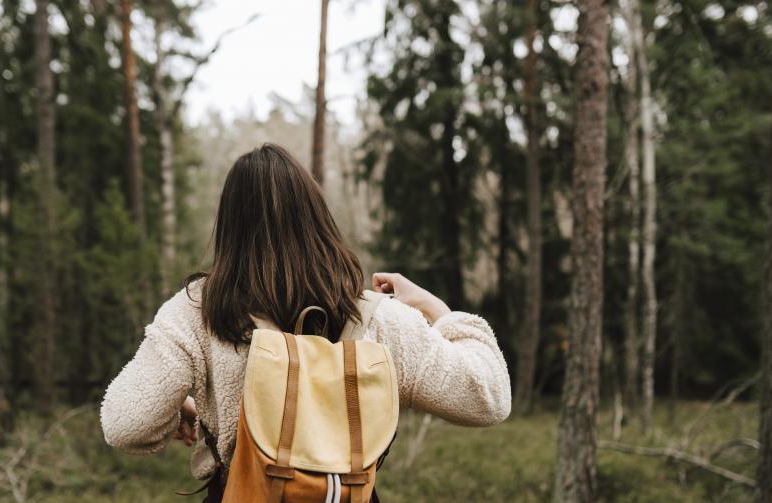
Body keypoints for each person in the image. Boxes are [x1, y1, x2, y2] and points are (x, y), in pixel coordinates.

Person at [100, 143, 511, 487]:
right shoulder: (377, 317)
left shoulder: (199, 310)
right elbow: (488, 398)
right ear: (317, 217)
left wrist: (184, 410)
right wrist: (437, 310)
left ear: (229, 227)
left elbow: (125, 424)